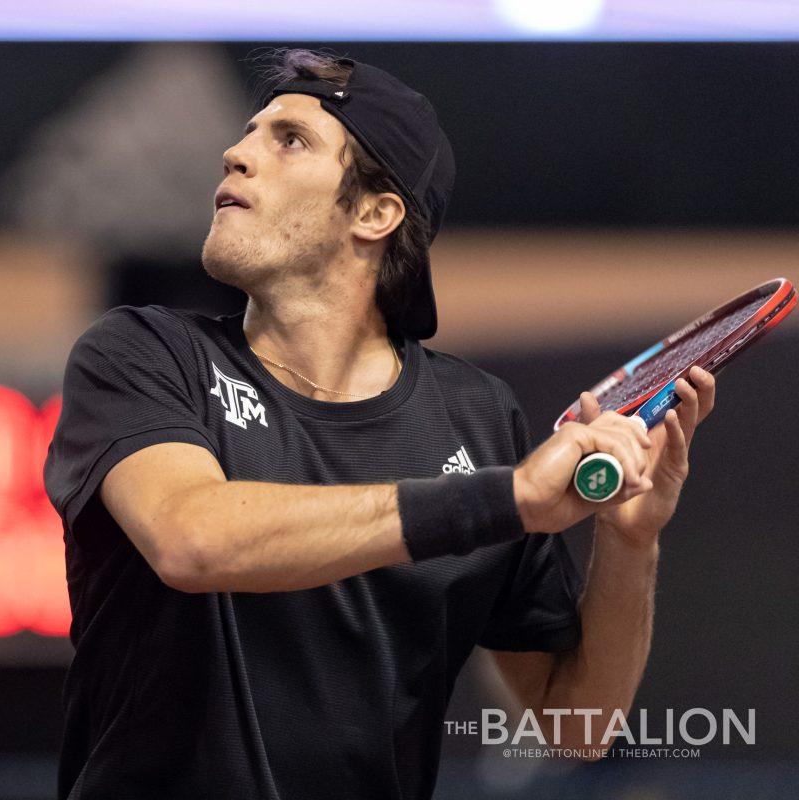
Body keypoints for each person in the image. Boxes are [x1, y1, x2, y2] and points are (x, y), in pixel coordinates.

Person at [43, 48, 716, 800]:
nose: (235, 153)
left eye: (289, 139)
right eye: (250, 133)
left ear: (375, 213)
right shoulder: (144, 354)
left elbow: (575, 724)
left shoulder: (477, 417)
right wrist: (507, 500)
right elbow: (192, 538)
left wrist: (630, 543)